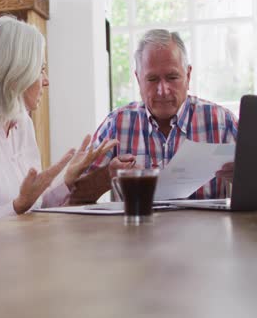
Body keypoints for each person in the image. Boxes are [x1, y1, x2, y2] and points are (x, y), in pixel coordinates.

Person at [0, 16, 116, 227]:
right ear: (15, 74)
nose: (46, 81)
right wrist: (17, 206)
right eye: (40, 70)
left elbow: (36, 207)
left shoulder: (22, 123)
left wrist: (68, 181)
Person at [69, 29, 237, 204]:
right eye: (152, 79)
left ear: (188, 75)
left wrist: (243, 177)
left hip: (206, 230)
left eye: (172, 77)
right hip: (137, 230)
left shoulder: (221, 122)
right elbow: (74, 197)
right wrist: (107, 175)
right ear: (138, 79)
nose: (163, 90)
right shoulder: (116, 124)